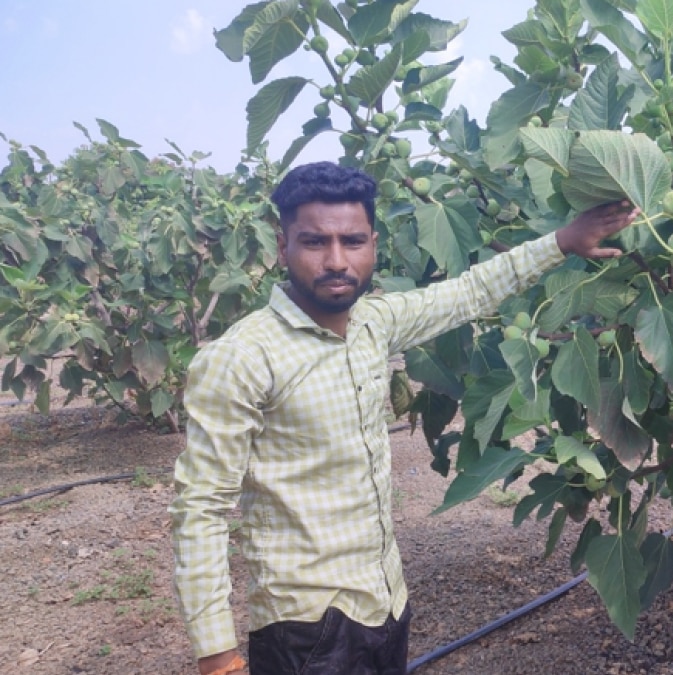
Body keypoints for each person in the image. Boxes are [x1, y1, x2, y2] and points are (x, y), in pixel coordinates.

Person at [169, 161, 639, 675]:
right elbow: (201, 508)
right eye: (313, 242)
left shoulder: (374, 323)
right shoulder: (241, 357)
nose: (335, 260)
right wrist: (217, 657)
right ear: (282, 246)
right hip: (303, 628)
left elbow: (469, 293)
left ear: (373, 243)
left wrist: (562, 242)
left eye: (352, 241)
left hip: (386, 602)